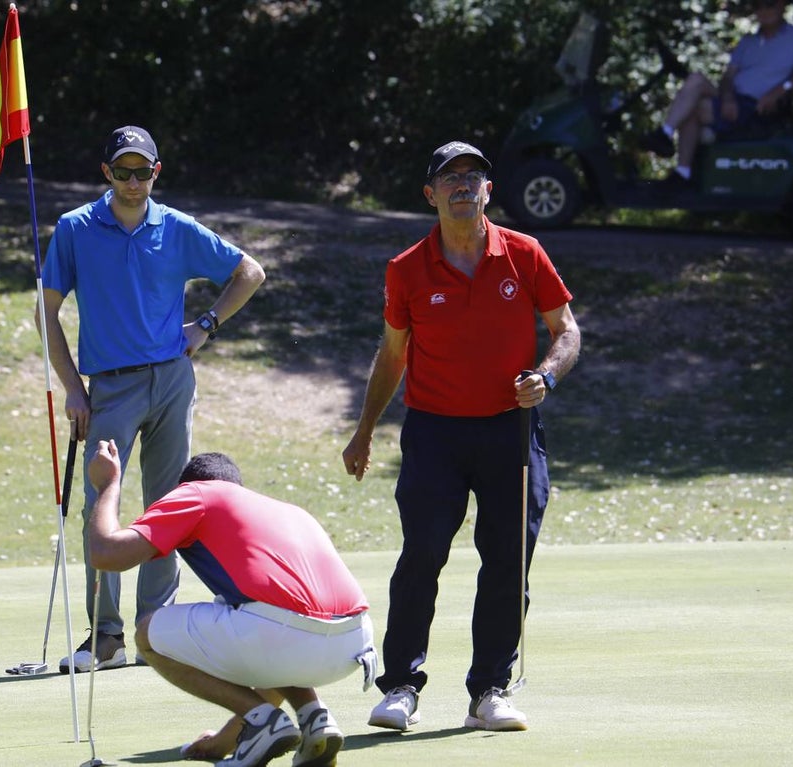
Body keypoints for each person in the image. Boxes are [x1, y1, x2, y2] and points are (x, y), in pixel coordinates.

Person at [341, 141, 580, 732]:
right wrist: (364, 431)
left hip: (510, 430)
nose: (463, 186)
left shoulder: (524, 253)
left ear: (488, 191)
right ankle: (400, 687)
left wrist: (546, 376)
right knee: (422, 554)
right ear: (431, 194)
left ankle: (489, 692)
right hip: (434, 434)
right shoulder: (407, 268)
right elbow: (393, 355)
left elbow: (566, 330)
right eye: (450, 178)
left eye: (473, 177)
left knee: (507, 562)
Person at [37, 125, 266, 673]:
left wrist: (206, 325)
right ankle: (106, 637)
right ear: (107, 173)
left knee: (168, 507)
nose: (133, 181)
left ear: (156, 172)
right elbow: (46, 313)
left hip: (172, 381)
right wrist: (73, 389)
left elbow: (249, 272)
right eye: (123, 171)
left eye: (143, 171)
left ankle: (154, 633)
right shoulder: (75, 228)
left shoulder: (176, 227)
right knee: (102, 503)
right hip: (110, 387)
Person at [87, 444, 376, 767]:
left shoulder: (196, 493)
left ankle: (262, 723)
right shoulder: (288, 510)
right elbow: (277, 655)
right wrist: (223, 741)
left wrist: (108, 484)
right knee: (258, 620)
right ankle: (315, 717)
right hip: (354, 643)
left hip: (283, 634)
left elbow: (106, 554)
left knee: (148, 634)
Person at [640, 0, 793, 184]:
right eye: (758, 5)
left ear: (782, 5)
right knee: (696, 79)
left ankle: (683, 171)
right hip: (734, 99)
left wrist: (781, 90)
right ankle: (665, 133)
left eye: (769, 4)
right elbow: (728, 77)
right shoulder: (748, 41)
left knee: (696, 107)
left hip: (757, 107)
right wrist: (728, 98)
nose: (763, 10)